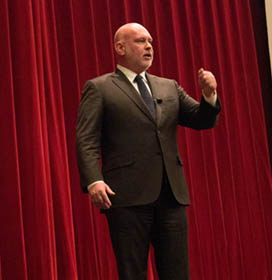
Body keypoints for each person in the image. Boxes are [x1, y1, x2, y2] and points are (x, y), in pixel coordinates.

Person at [75, 23, 221, 280]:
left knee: (177, 273)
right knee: (133, 273)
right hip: (127, 197)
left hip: (171, 195)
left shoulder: (168, 86)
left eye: (151, 41)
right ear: (120, 47)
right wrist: (94, 180)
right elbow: (86, 139)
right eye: (141, 41)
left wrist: (209, 96)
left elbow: (201, 120)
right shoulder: (100, 88)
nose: (149, 46)